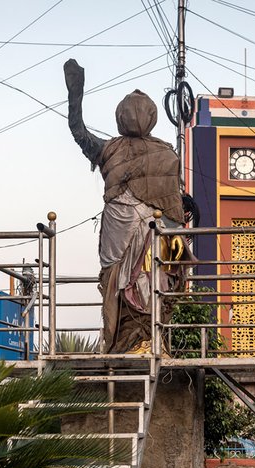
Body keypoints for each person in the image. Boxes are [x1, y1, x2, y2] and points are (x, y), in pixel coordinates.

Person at [63, 58, 188, 354]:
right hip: (162, 234)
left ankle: (128, 341)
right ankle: (147, 339)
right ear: (154, 117)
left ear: (119, 116)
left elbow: (78, 130)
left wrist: (75, 95)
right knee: (157, 281)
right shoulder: (167, 154)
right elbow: (174, 210)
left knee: (116, 283)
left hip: (120, 234)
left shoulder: (108, 149)